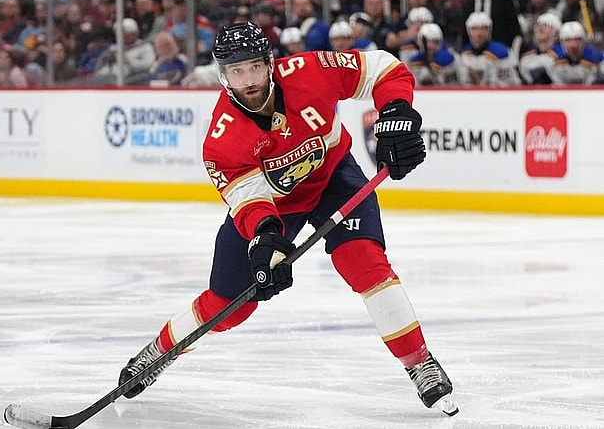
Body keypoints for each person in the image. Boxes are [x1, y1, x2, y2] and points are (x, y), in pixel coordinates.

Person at [117, 21, 458, 417]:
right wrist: (265, 237)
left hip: (335, 178)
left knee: (364, 262)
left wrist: (396, 111)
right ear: (223, 76)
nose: (248, 80)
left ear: (270, 63)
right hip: (276, 206)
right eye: (236, 71)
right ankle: (158, 352)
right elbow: (249, 201)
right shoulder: (222, 140)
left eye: (254, 67)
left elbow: (383, 67)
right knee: (229, 305)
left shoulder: (311, 71)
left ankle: (419, 362)